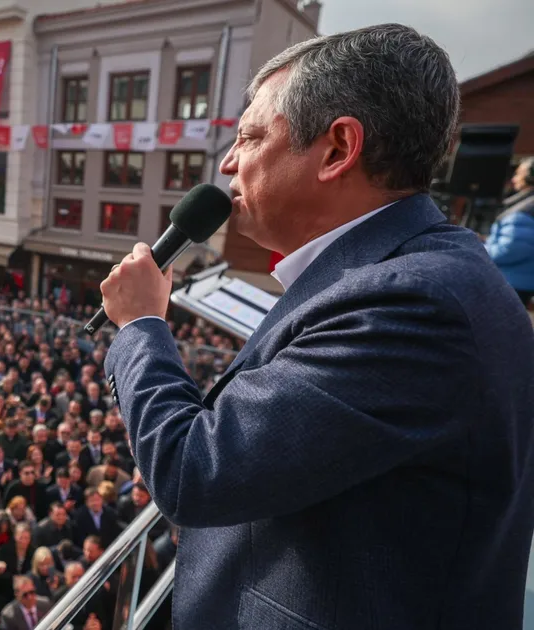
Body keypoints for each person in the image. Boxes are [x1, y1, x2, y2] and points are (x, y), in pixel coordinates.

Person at [99, 24, 534, 629]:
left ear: (338, 149)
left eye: (250, 137)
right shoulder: (417, 275)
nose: (228, 162)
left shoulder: (413, 304)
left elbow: (195, 471)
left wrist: (141, 326)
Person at [484, 156, 534, 304]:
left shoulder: (526, 209)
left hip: (511, 284)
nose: (514, 178)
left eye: (519, 173)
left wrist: (479, 249)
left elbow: (511, 249)